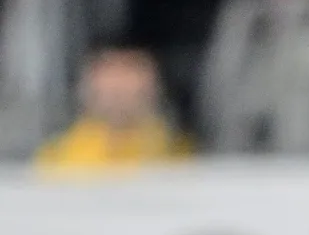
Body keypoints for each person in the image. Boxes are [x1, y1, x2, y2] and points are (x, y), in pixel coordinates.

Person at [34, 47, 192, 173]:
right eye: (108, 67)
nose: (118, 84)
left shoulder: (182, 155)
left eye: (130, 67)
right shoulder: (55, 156)